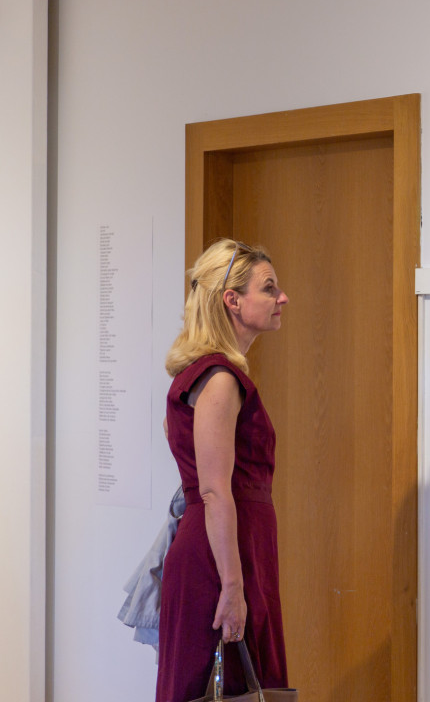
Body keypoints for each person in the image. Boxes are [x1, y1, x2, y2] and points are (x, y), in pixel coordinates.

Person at [156, 239, 291, 702]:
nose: (282, 297)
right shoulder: (219, 379)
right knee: (222, 688)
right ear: (232, 300)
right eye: (269, 288)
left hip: (230, 546)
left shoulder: (208, 374)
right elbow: (214, 491)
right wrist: (232, 586)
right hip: (221, 557)